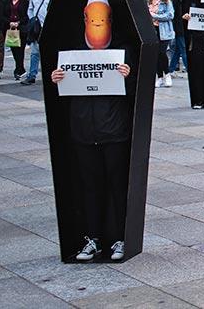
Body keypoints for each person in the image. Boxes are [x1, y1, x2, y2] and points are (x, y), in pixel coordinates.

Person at [48, 20, 134, 261]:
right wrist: (57, 79)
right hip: (84, 130)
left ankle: (119, 236)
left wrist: (128, 75)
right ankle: (92, 238)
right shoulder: (74, 51)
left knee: (117, 186)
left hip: (114, 130)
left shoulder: (122, 49)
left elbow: (140, 88)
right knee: (89, 187)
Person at [143, 0, 175, 88]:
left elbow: (170, 15)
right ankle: (159, 76)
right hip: (151, 30)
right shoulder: (147, 3)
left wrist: (154, 16)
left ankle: (167, 74)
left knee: (162, 52)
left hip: (163, 31)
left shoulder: (166, 2)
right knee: (155, 54)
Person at [22, 0, 53, 85]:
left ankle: (51, 76)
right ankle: (32, 75)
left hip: (50, 28)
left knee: (50, 53)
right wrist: (32, 20)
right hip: (36, 28)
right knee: (34, 53)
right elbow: (30, 9)